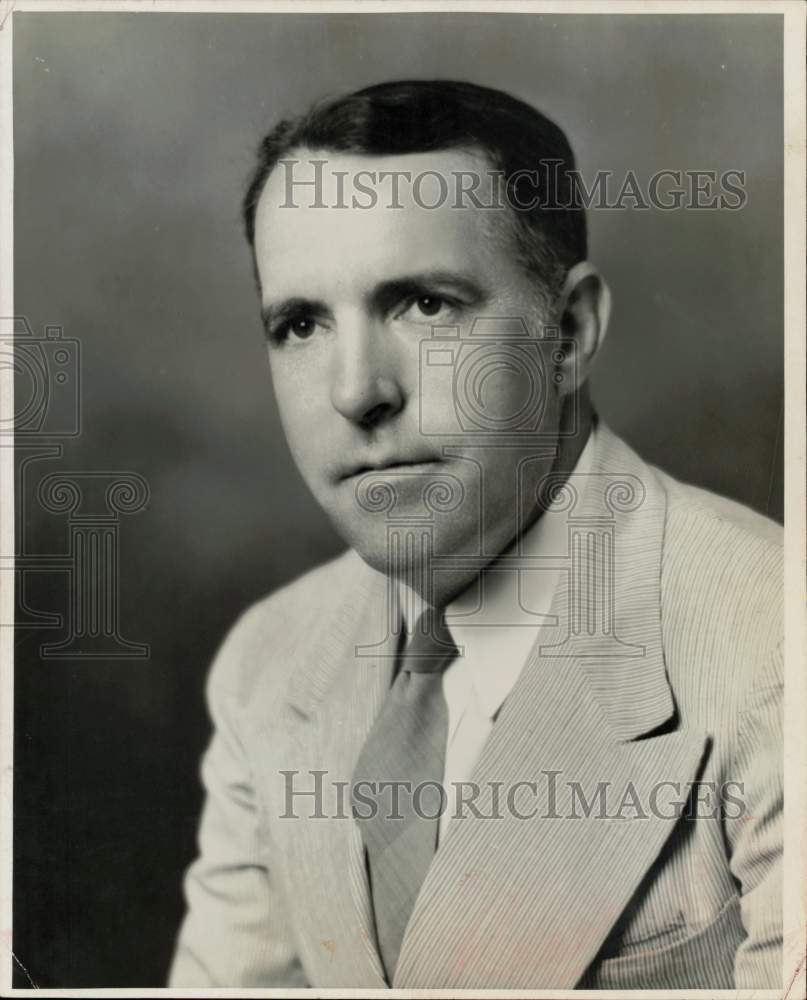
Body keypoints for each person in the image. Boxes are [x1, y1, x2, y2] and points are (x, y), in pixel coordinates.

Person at [168, 80, 782, 990]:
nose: (355, 391)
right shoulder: (269, 661)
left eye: (424, 306)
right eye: (300, 324)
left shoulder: (773, 650)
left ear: (567, 333)